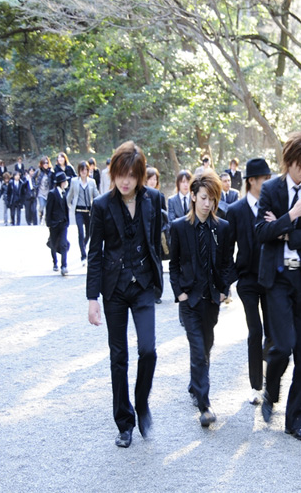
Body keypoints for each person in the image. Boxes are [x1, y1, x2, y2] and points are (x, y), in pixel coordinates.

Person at [86, 141, 163, 448]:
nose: (126, 181)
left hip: (143, 285)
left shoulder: (153, 199)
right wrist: (92, 299)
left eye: (132, 174)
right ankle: (124, 422)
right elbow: (95, 253)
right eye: (121, 174)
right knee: (119, 357)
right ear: (113, 173)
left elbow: (155, 243)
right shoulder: (102, 205)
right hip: (114, 289)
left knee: (148, 350)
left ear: (140, 175)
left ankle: (141, 403)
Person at [255, 132, 301, 441]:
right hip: (278, 280)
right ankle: (271, 390)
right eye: (300, 164)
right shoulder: (270, 189)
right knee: (282, 346)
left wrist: (285, 232)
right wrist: (293, 216)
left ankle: (297, 422)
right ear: (288, 162)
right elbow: (260, 231)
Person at [170, 170, 234, 428]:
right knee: (198, 349)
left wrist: (224, 289)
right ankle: (204, 405)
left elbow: (227, 262)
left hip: (211, 300)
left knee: (206, 346)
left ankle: (194, 383)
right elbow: (173, 265)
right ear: (194, 196)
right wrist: (180, 293)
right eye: (204, 197)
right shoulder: (179, 227)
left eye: (213, 199)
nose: (208, 204)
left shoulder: (222, 227)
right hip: (190, 300)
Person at [226, 158, 273, 405]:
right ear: (251, 181)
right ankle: (256, 386)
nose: (268, 183)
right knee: (255, 330)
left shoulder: (273, 207)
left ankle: (267, 365)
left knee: (273, 333)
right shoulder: (235, 210)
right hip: (247, 280)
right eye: (264, 179)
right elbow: (226, 249)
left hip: (272, 279)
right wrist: (228, 281)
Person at [67, 161, 99, 265]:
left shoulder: (92, 182)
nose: (84, 172)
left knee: (89, 232)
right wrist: (69, 206)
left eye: (86, 169)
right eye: (82, 170)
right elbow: (70, 195)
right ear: (79, 171)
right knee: (80, 232)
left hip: (88, 211)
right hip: (78, 211)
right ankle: (83, 255)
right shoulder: (74, 181)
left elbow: (96, 195)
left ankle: (83, 244)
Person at [146, 166, 167, 304]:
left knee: (157, 263)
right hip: (145, 233)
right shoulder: (141, 195)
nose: (153, 182)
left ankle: (157, 292)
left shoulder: (160, 196)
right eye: (150, 179)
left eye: (155, 179)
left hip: (157, 233)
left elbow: (164, 215)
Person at [46, 171, 70, 275]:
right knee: (54, 243)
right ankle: (55, 262)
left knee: (63, 244)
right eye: (65, 181)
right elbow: (49, 209)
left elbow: (65, 208)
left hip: (63, 223)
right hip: (54, 224)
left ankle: (64, 265)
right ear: (61, 182)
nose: (66, 183)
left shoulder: (64, 193)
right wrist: (49, 223)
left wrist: (67, 221)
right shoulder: (52, 193)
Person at [35, 157, 54, 224]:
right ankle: (40, 214)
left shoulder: (51, 171)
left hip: (48, 192)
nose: (45, 164)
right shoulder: (38, 171)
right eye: (44, 163)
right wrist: (35, 186)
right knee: (42, 205)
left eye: (47, 163)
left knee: (47, 207)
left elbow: (53, 180)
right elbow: (33, 178)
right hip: (41, 192)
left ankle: (46, 219)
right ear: (41, 164)